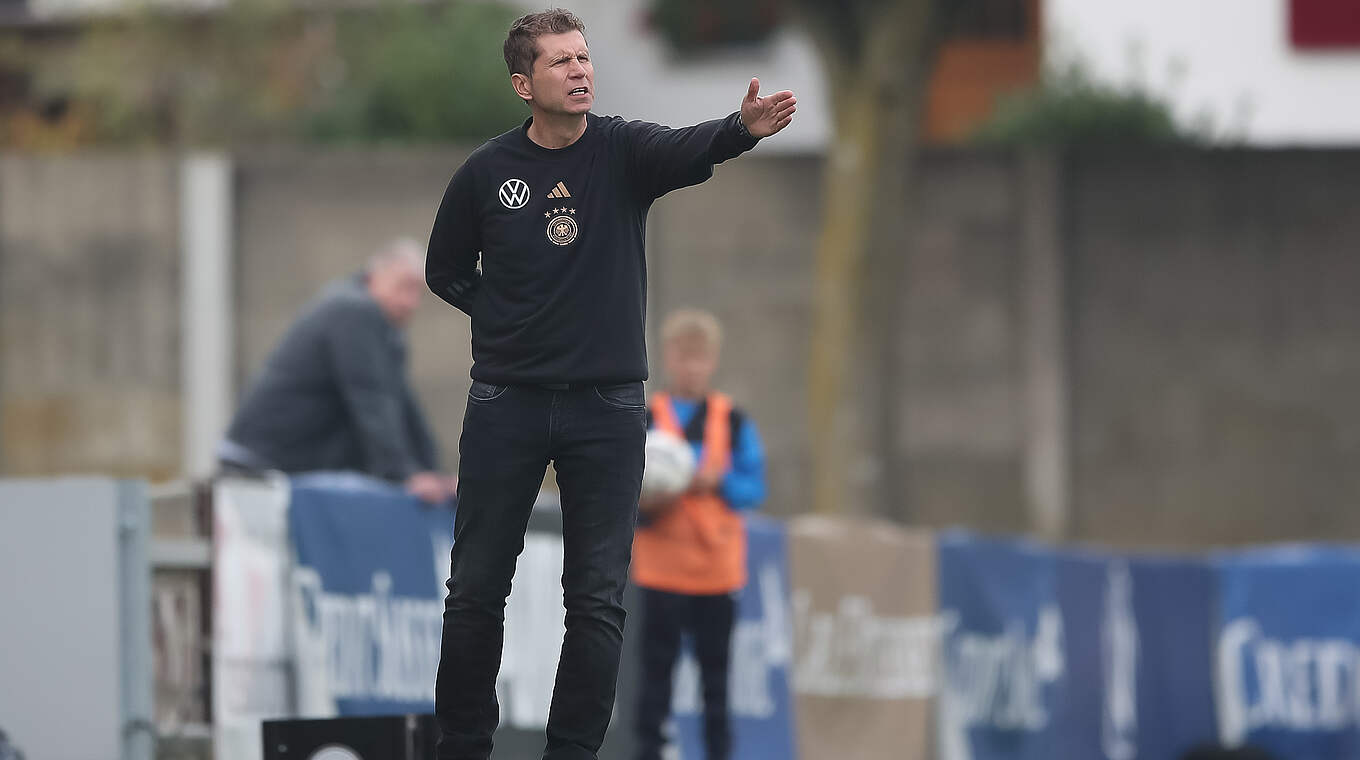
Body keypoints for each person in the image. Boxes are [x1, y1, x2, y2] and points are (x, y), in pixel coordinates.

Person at [424, 8, 795, 760]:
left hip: (607, 407)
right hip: (507, 402)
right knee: (474, 593)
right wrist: (503, 320)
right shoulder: (487, 172)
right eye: (561, 62)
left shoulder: (624, 151)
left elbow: (691, 146)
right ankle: (463, 746)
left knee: (595, 601)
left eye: (584, 57)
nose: (581, 70)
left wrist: (740, 128)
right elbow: (444, 270)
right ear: (524, 84)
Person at [219, 238, 455, 503]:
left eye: (418, 292)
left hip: (274, 469)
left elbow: (402, 403)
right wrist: (405, 475)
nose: (411, 302)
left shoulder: (381, 329)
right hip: (260, 471)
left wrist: (432, 474)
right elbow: (372, 399)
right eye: (404, 287)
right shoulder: (355, 311)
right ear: (374, 277)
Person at [632, 309, 766, 760]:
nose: (692, 368)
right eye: (684, 358)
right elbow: (622, 491)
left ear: (713, 361)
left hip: (716, 572)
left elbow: (754, 487)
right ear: (669, 359)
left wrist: (719, 482)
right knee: (654, 679)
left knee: (716, 683)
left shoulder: (731, 421)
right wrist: (650, 499)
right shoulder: (646, 418)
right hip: (661, 571)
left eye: (701, 359)